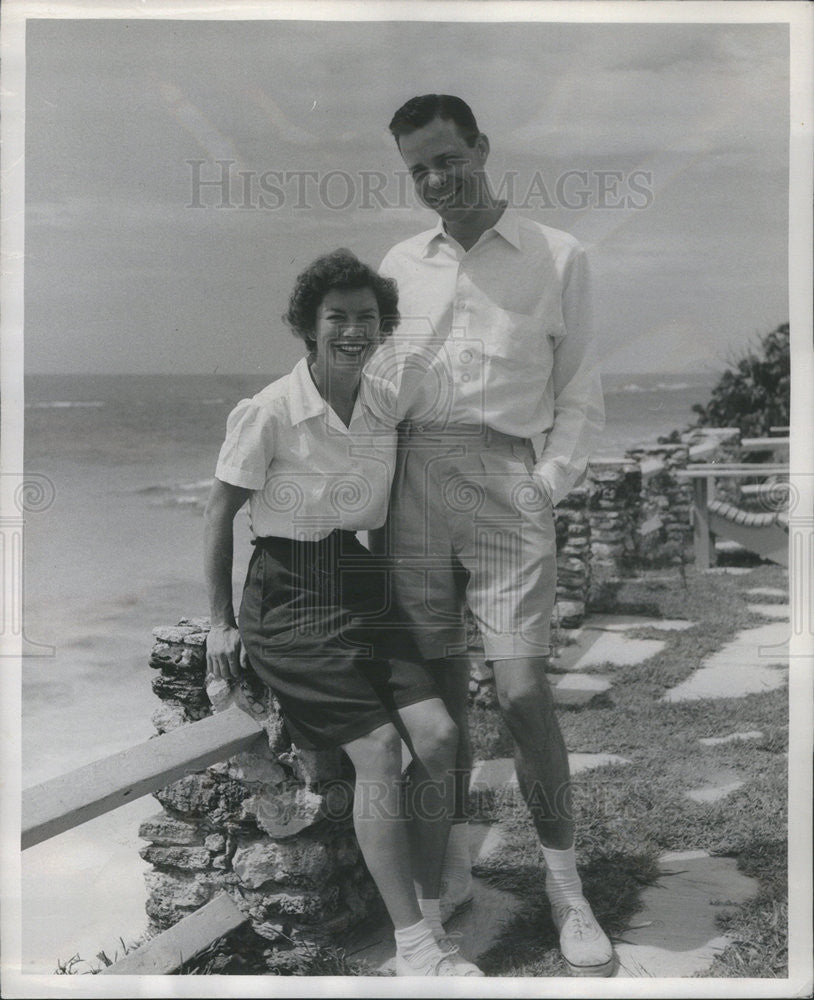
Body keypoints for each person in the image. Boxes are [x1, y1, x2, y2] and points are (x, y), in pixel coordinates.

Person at [372, 95, 612, 977]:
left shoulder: (559, 255)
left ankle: (564, 885)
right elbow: (377, 384)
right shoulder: (402, 260)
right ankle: (438, 898)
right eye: (419, 169)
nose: (438, 180)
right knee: (434, 705)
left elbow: (581, 385)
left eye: (448, 158)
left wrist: (546, 483)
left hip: (511, 478)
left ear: (481, 146)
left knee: (519, 693)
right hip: (413, 482)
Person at [203, 248, 482, 977]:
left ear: (382, 328)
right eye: (337, 318)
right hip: (287, 595)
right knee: (380, 753)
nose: (353, 330)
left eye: (366, 318)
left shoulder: (381, 407)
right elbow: (217, 514)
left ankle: (427, 913)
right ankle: (416, 950)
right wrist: (219, 621)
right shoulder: (269, 410)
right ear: (308, 326)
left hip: (357, 580)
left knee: (441, 736)